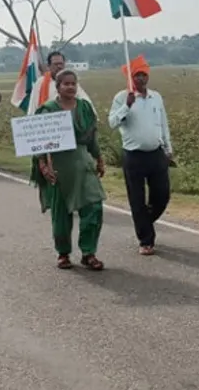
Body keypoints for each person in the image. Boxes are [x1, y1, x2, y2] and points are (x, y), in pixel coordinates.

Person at [31, 70, 107, 271]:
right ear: (58, 87)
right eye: (66, 84)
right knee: (61, 214)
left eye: (73, 83)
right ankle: (63, 253)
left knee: (94, 207)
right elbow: (39, 143)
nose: (70, 87)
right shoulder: (47, 110)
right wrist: (44, 166)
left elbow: (92, 137)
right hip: (59, 166)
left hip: (83, 163)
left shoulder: (84, 108)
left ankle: (89, 252)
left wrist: (99, 158)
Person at [108, 59, 174, 256]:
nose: (141, 78)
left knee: (162, 196)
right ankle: (146, 240)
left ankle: (144, 221)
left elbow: (163, 123)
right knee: (137, 199)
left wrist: (168, 147)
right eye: (137, 75)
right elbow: (112, 122)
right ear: (130, 77)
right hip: (133, 155)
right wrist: (127, 106)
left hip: (156, 153)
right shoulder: (122, 97)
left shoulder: (156, 97)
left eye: (144, 74)